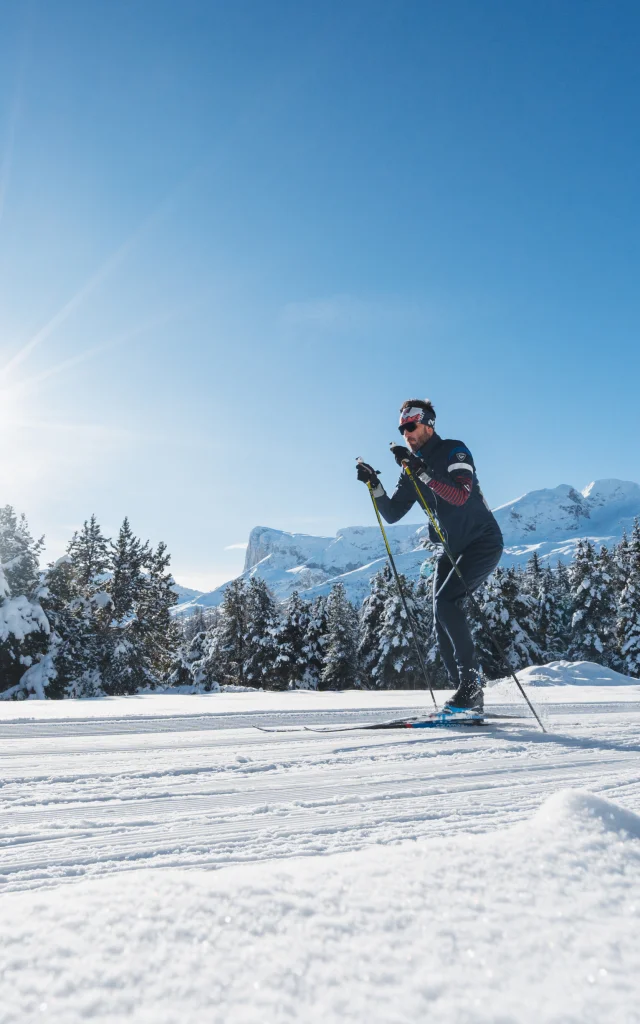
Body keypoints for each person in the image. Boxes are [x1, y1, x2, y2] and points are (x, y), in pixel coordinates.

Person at [356, 398, 503, 713]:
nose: (406, 433)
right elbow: (393, 512)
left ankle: (471, 688)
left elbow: (460, 496)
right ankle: (465, 695)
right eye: (402, 428)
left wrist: (421, 472)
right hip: (453, 548)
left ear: (428, 423)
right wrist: (374, 483)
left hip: (483, 541)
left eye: (410, 426)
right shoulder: (412, 468)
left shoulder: (454, 451)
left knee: (448, 602)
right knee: (441, 613)